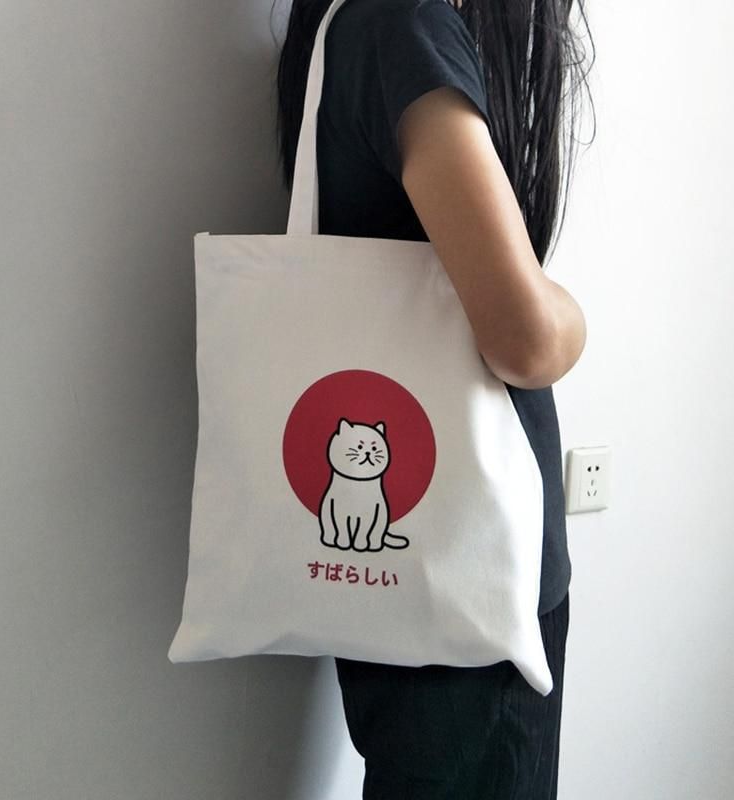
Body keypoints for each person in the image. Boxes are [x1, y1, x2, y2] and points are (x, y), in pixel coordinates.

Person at [272, 0, 594, 796]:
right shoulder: (403, 27)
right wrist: (572, 314)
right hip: (473, 570)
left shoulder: (360, 25)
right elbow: (527, 339)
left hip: (421, 560)